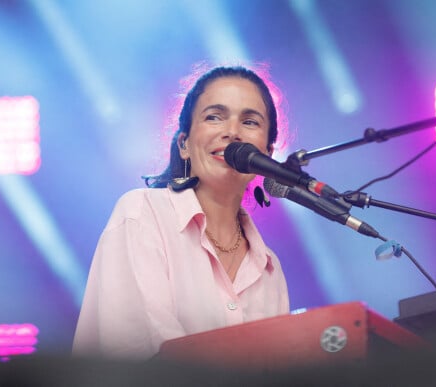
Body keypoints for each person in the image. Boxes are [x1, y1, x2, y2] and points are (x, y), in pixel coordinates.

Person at [72, 64, 290, 361]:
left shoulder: (269, 268)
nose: (232, 132)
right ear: (184, 144)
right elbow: (145, 354)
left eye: (250, 122)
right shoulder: (142, 213)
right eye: (214, 117)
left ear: (267, 153)